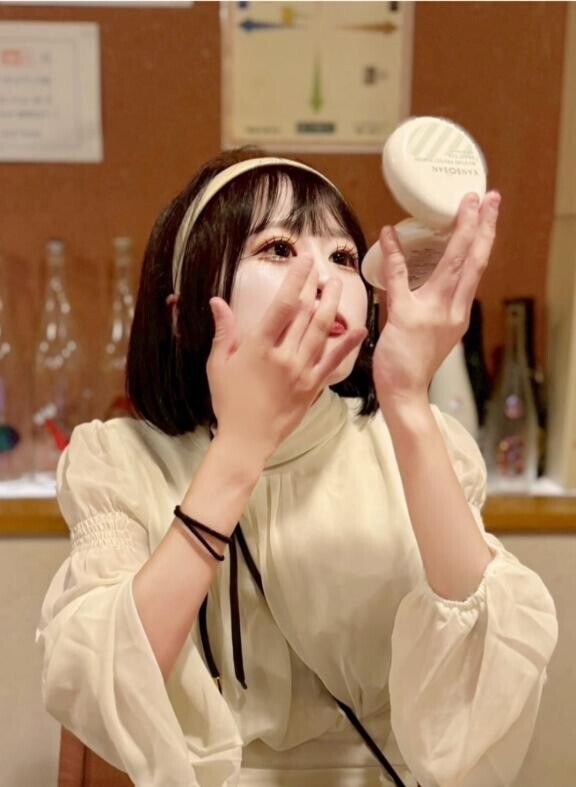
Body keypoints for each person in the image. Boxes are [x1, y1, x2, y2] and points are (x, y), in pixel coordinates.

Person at [37, 148, 558, 787]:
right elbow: (103, 688)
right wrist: (240, 449)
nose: (322, 278)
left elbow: (485, 685)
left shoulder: (418, 442)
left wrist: (407, 397)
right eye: (279, 248)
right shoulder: (117, 459)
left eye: (343, 257)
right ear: (183, 312)